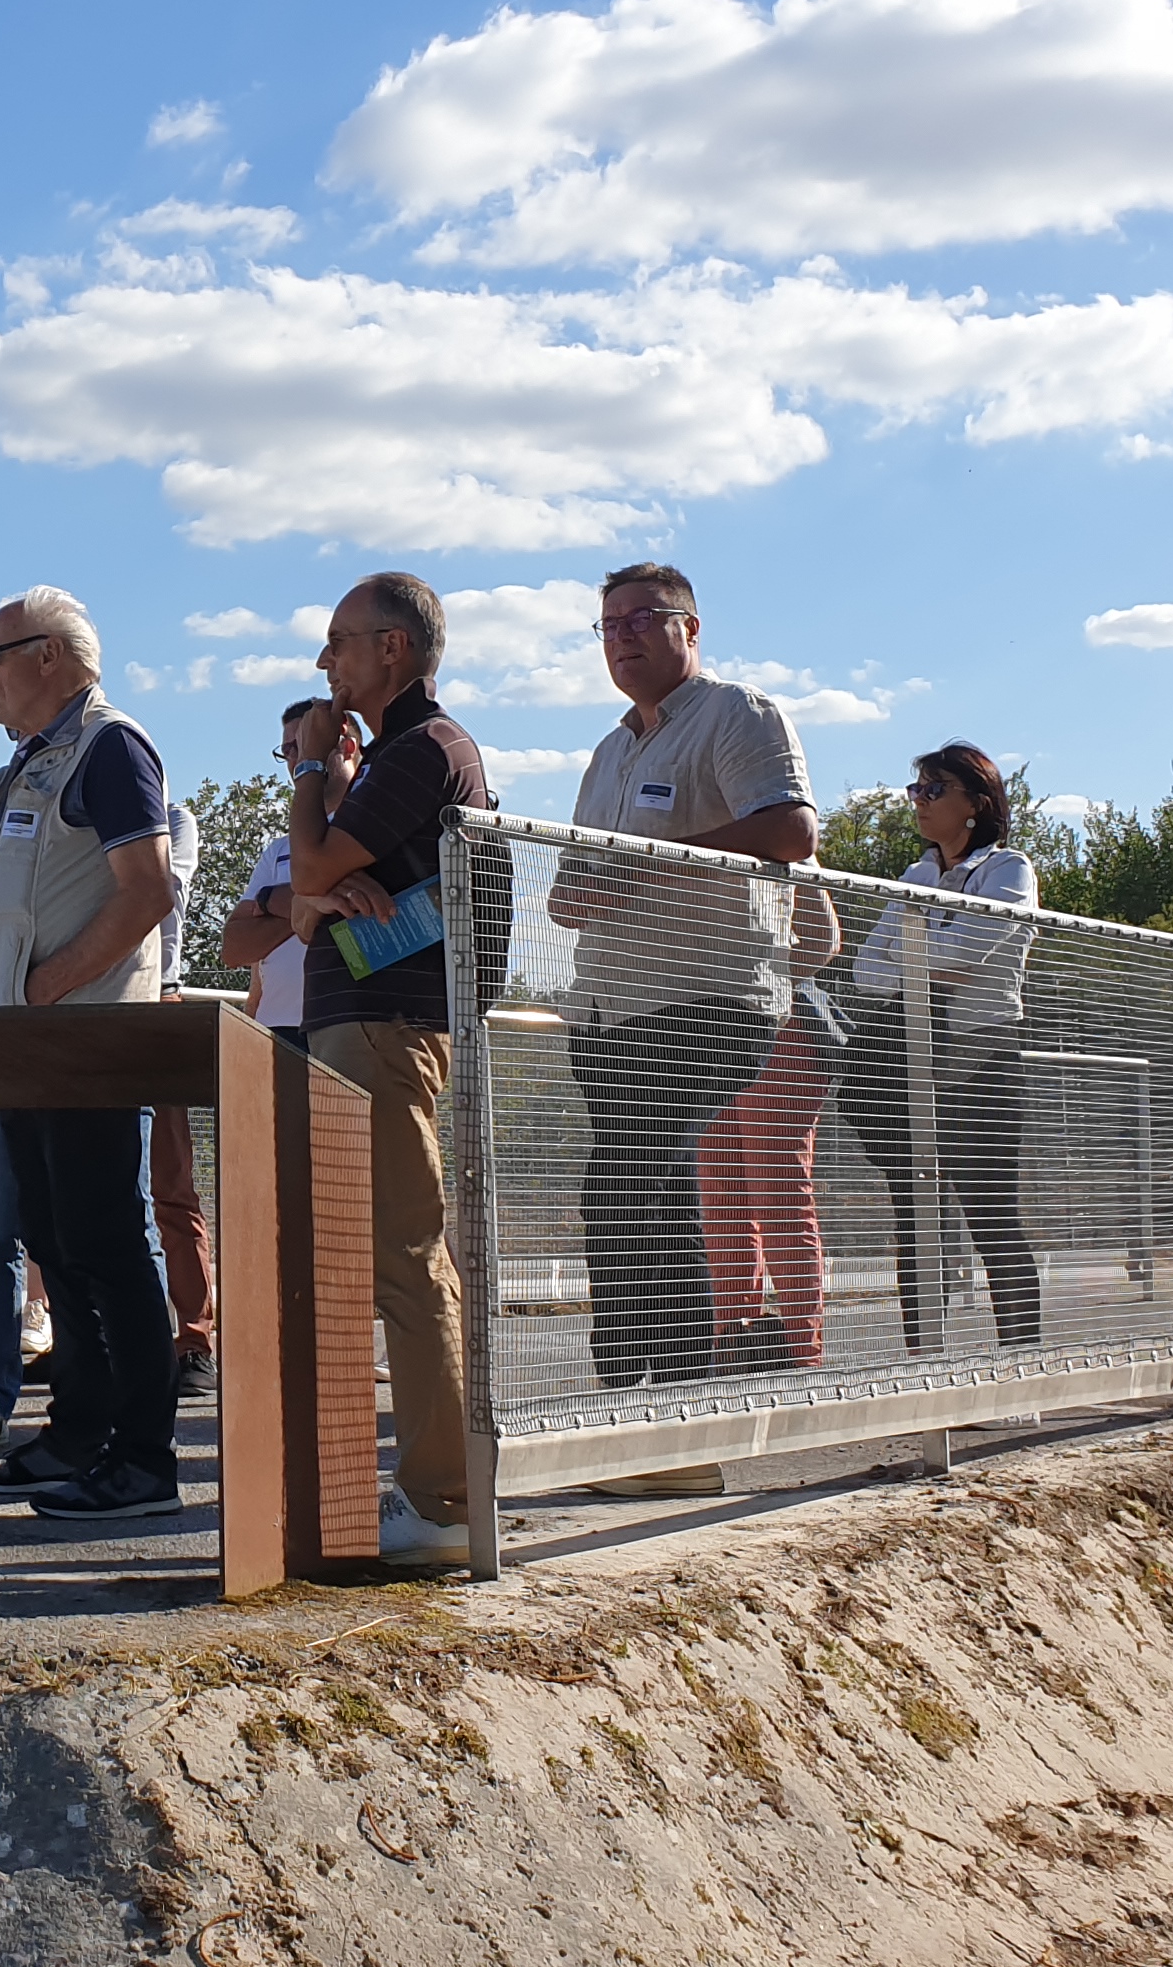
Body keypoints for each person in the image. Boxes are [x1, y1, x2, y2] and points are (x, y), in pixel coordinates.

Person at [0, 586, 181, 1522]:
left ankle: (148, 1463)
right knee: (58, 1246)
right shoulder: (24, 768)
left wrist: (52, 984)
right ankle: (77, 1435)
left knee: (107, 1247)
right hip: (20, 1050)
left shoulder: (111, 745)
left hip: (84, 1045)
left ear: (51, 657)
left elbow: (147, 888)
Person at [541, 562, 816, 1389]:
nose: (621, 637)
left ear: (690, 629)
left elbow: (791, 829)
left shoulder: (737, 714)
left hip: (706, 993)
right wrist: (577, 894)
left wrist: (651, 870)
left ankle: (664, 1400)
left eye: (640, 619)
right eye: (608, 626)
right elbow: (573, 885)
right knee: (640, 1191)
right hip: (607, 1007)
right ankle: (649, 1398)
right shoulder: (608, 751)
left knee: (631, 1181)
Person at [278, 573, 495, 1566]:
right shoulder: (402, 758)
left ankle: (445, 1499)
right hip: (356, 1025)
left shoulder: (423, 750)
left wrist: (313, 773)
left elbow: (312, 872)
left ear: (393, 650)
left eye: (340, 642)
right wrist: (320, 887)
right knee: (378, 1259)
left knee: (407, 1256)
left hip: (383, 1026)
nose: (327, 662)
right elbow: (300, 900)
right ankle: (422, 1486)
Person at [842, 744, 1045, 1352]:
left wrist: (918, 960)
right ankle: (925, 1370)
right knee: (916, 1214)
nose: (920, 801)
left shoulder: (1009, 870)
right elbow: (865, 972)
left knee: (990, 1213)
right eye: (917, 789)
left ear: (975, 807)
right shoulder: (916, 876)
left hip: (982, 1055)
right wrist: (926, 966)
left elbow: (967, 955)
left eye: (935, 790)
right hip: (915, 1055)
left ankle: (1018, 1375)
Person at [693, 875, 848, 1373]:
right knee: (721, 1203)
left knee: (778, 1197)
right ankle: (733, 1350)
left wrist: (760, 987)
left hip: (780, 1030)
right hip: (713, 1033)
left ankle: (802, 1355)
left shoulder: (774, 819)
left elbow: (823, 939)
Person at [220, 699, 358, 1057]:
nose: (296, 760)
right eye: (287, 751)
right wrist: (309, 901)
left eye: (305, 746)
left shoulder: (368, 835)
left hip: (348, 1027)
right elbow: (235, 946)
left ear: (347, 746)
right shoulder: (278, 850)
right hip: (275, 1031)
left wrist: (273, 903)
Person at [149, 795, 219, 1396]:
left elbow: (159, 891)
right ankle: (92, 1340)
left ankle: (195, 1339)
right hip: (83, 1005)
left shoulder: (173, 820)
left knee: (171, 1189)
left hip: (155, 1003)